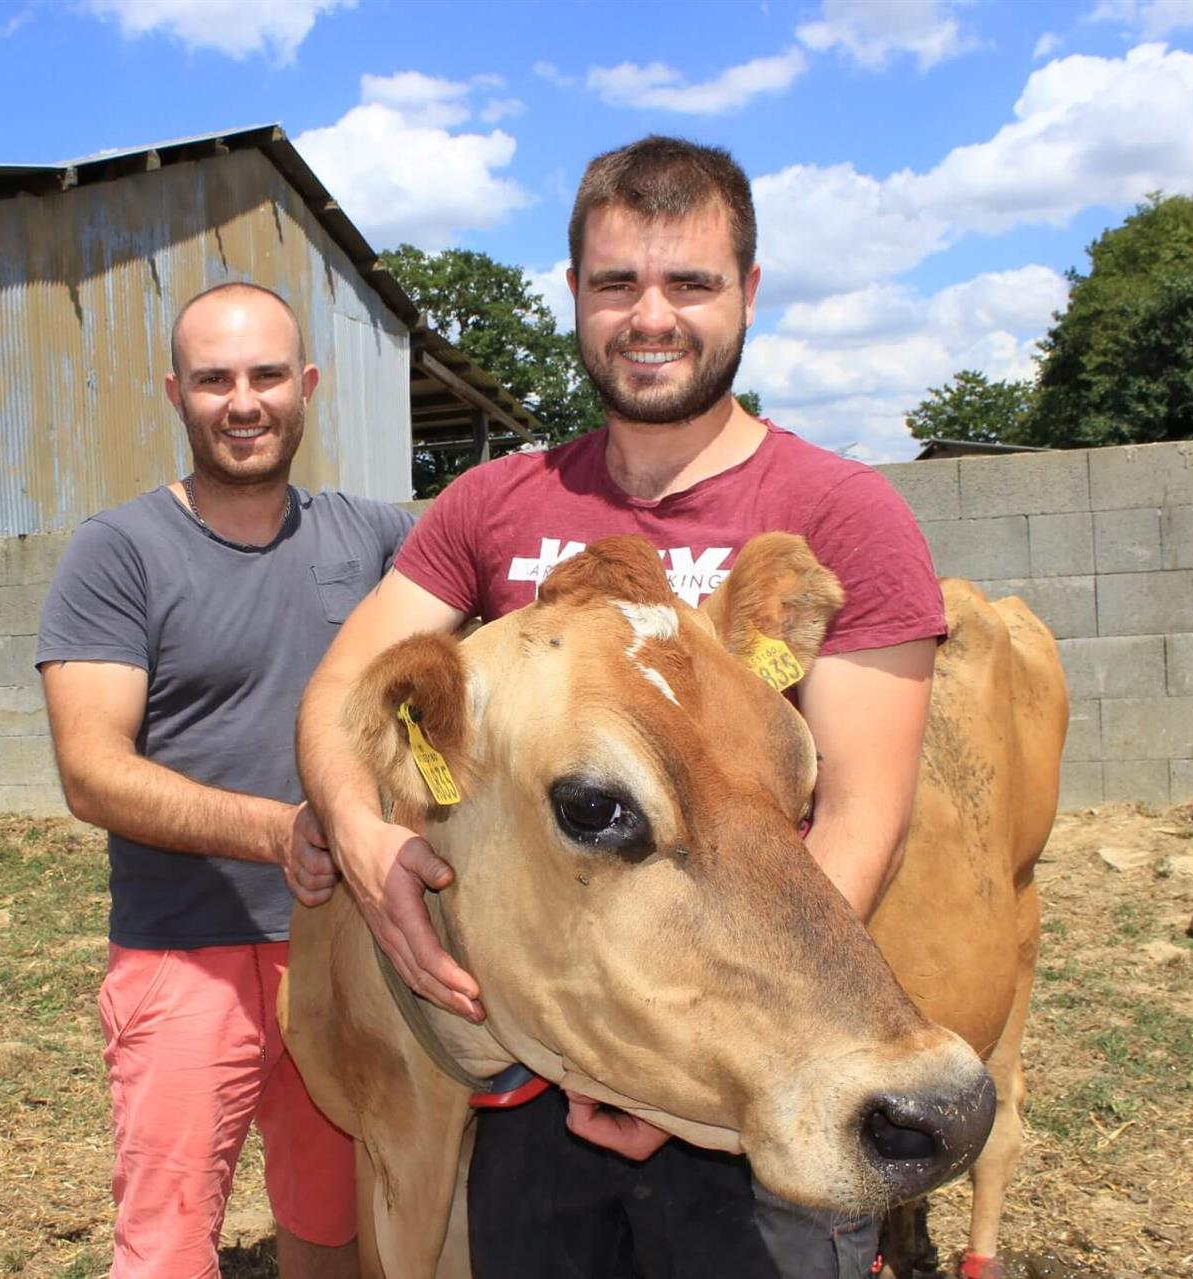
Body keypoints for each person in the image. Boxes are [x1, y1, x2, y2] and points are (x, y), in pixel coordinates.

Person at [291, 137, 947, 1279]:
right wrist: (366, 844)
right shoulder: (493, 505)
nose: (653, 317)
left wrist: (687, 1068)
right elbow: (347, 691)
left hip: (765, 1069)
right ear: (577, 298)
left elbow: (856, 821)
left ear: (748, 291)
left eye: (690, 283)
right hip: (544, 1077)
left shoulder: (845, 513)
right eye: (618, 284)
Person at [37, 281, 410, 1279]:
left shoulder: (375, 540)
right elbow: (92, 771)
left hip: (339, 948)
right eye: (214, 380)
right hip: (186, 953)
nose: (243, 402)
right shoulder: (118, 554)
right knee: (167, 1241)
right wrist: (278, 830)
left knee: (336, 1226)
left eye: (266, 375)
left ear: (309, 386)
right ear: (175, 393)